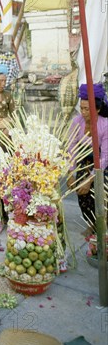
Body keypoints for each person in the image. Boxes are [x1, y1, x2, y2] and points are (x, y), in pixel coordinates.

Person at [67, 83, 108, 235]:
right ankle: (91, 223)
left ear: (97, 109)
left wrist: (90, 179)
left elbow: (105, 156)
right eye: (81, 108)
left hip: (103, 164)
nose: (83, 112)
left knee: (101, 195)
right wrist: (70, 172)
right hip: (84, 162)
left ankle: (101, 225)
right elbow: (71, 148)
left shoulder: (105, 125)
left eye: (87, 109)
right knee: (82, 195)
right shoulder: (77, 122)